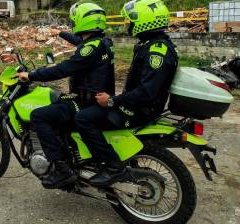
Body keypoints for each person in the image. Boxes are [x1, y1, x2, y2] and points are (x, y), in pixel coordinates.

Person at [75, 0, 179, 186]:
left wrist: (113, 101)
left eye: (130, 21)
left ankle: (112, 166)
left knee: (83, 118)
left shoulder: (156, 52)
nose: (128, 24)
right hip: (139, 106)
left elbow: (146, 92)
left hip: (139, 110)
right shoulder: (153, 44)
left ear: (144, 21)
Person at [16, 2, 115, 189]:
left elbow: (64, 69)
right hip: (93, 101)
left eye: (75, 19)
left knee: (38, 116)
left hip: (86, 103)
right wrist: (59, 33)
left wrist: (31, 75)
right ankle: (69, 158)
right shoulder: (103, 43)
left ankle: (62, 169)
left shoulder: (90, 49)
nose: (73, 22)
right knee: (58, 104)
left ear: (83, 21)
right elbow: (80, 43)